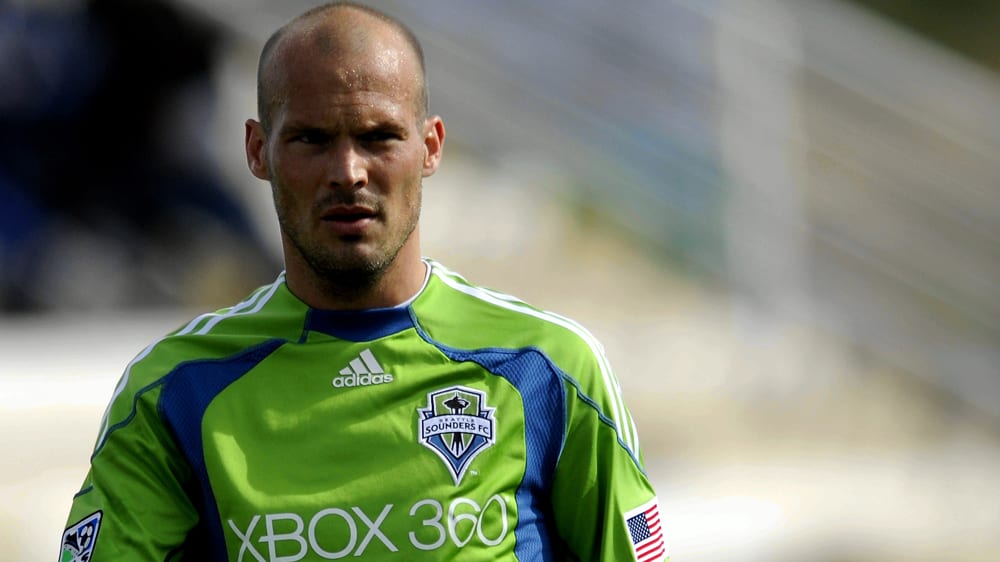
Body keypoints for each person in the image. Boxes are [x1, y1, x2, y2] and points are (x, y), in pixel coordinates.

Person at [60, 2, 667, 560]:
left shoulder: (547, 368)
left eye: (378, 137)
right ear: (258, 150)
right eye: (312, 139)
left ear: (430, 147)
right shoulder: (174, 390)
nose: (348, 172)